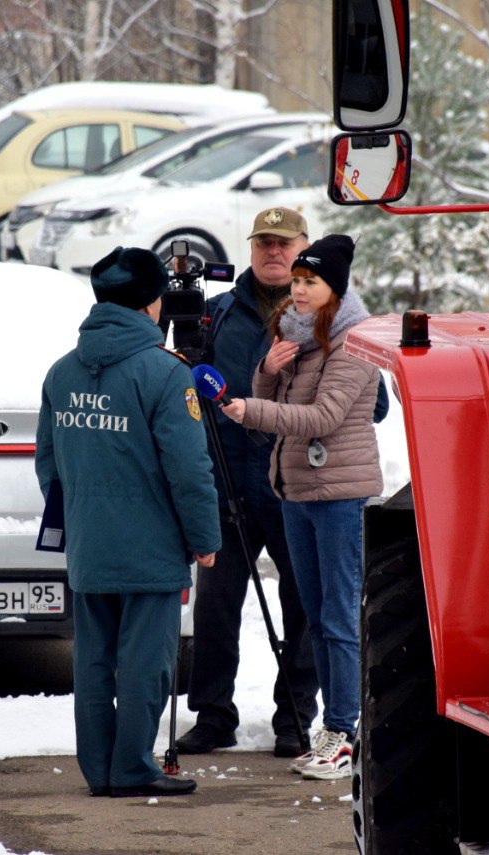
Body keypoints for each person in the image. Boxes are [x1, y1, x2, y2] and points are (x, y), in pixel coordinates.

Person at [35, 246, 221, 799]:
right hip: (151, 549)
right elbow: (189, 469)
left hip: (89, 544)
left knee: (93, 662)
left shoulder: (62, 372)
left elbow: (49, 464)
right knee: (145, 665)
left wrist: (77, 522)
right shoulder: (165, 373)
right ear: (150, 304)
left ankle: (100, 770)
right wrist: (204, 538)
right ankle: (134, 768)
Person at [221, 234, 382, 781]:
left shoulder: (353, 342)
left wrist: (251, 410)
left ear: (334, 288)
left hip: (338, 495)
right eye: (296, 280)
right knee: (315, 618)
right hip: (295, 490)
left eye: (310, 281)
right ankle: (332, 732)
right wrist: (267, 371)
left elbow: (323, 418)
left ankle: (343, 731)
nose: (299, 290)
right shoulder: (296, 333)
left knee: (338, 618)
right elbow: (276, 396)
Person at [174, 207, 321, 759]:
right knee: (215, 607)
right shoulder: (216, 314)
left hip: (295, 484)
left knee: (303, 605)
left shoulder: (325, 317)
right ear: (252, 248)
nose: (273, 252)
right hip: (227, 483)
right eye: (264, 243)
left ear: (303, 248)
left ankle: (295, 716)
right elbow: (183, 395)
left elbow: (370, 404)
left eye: (284, 243)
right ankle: (213, 716)